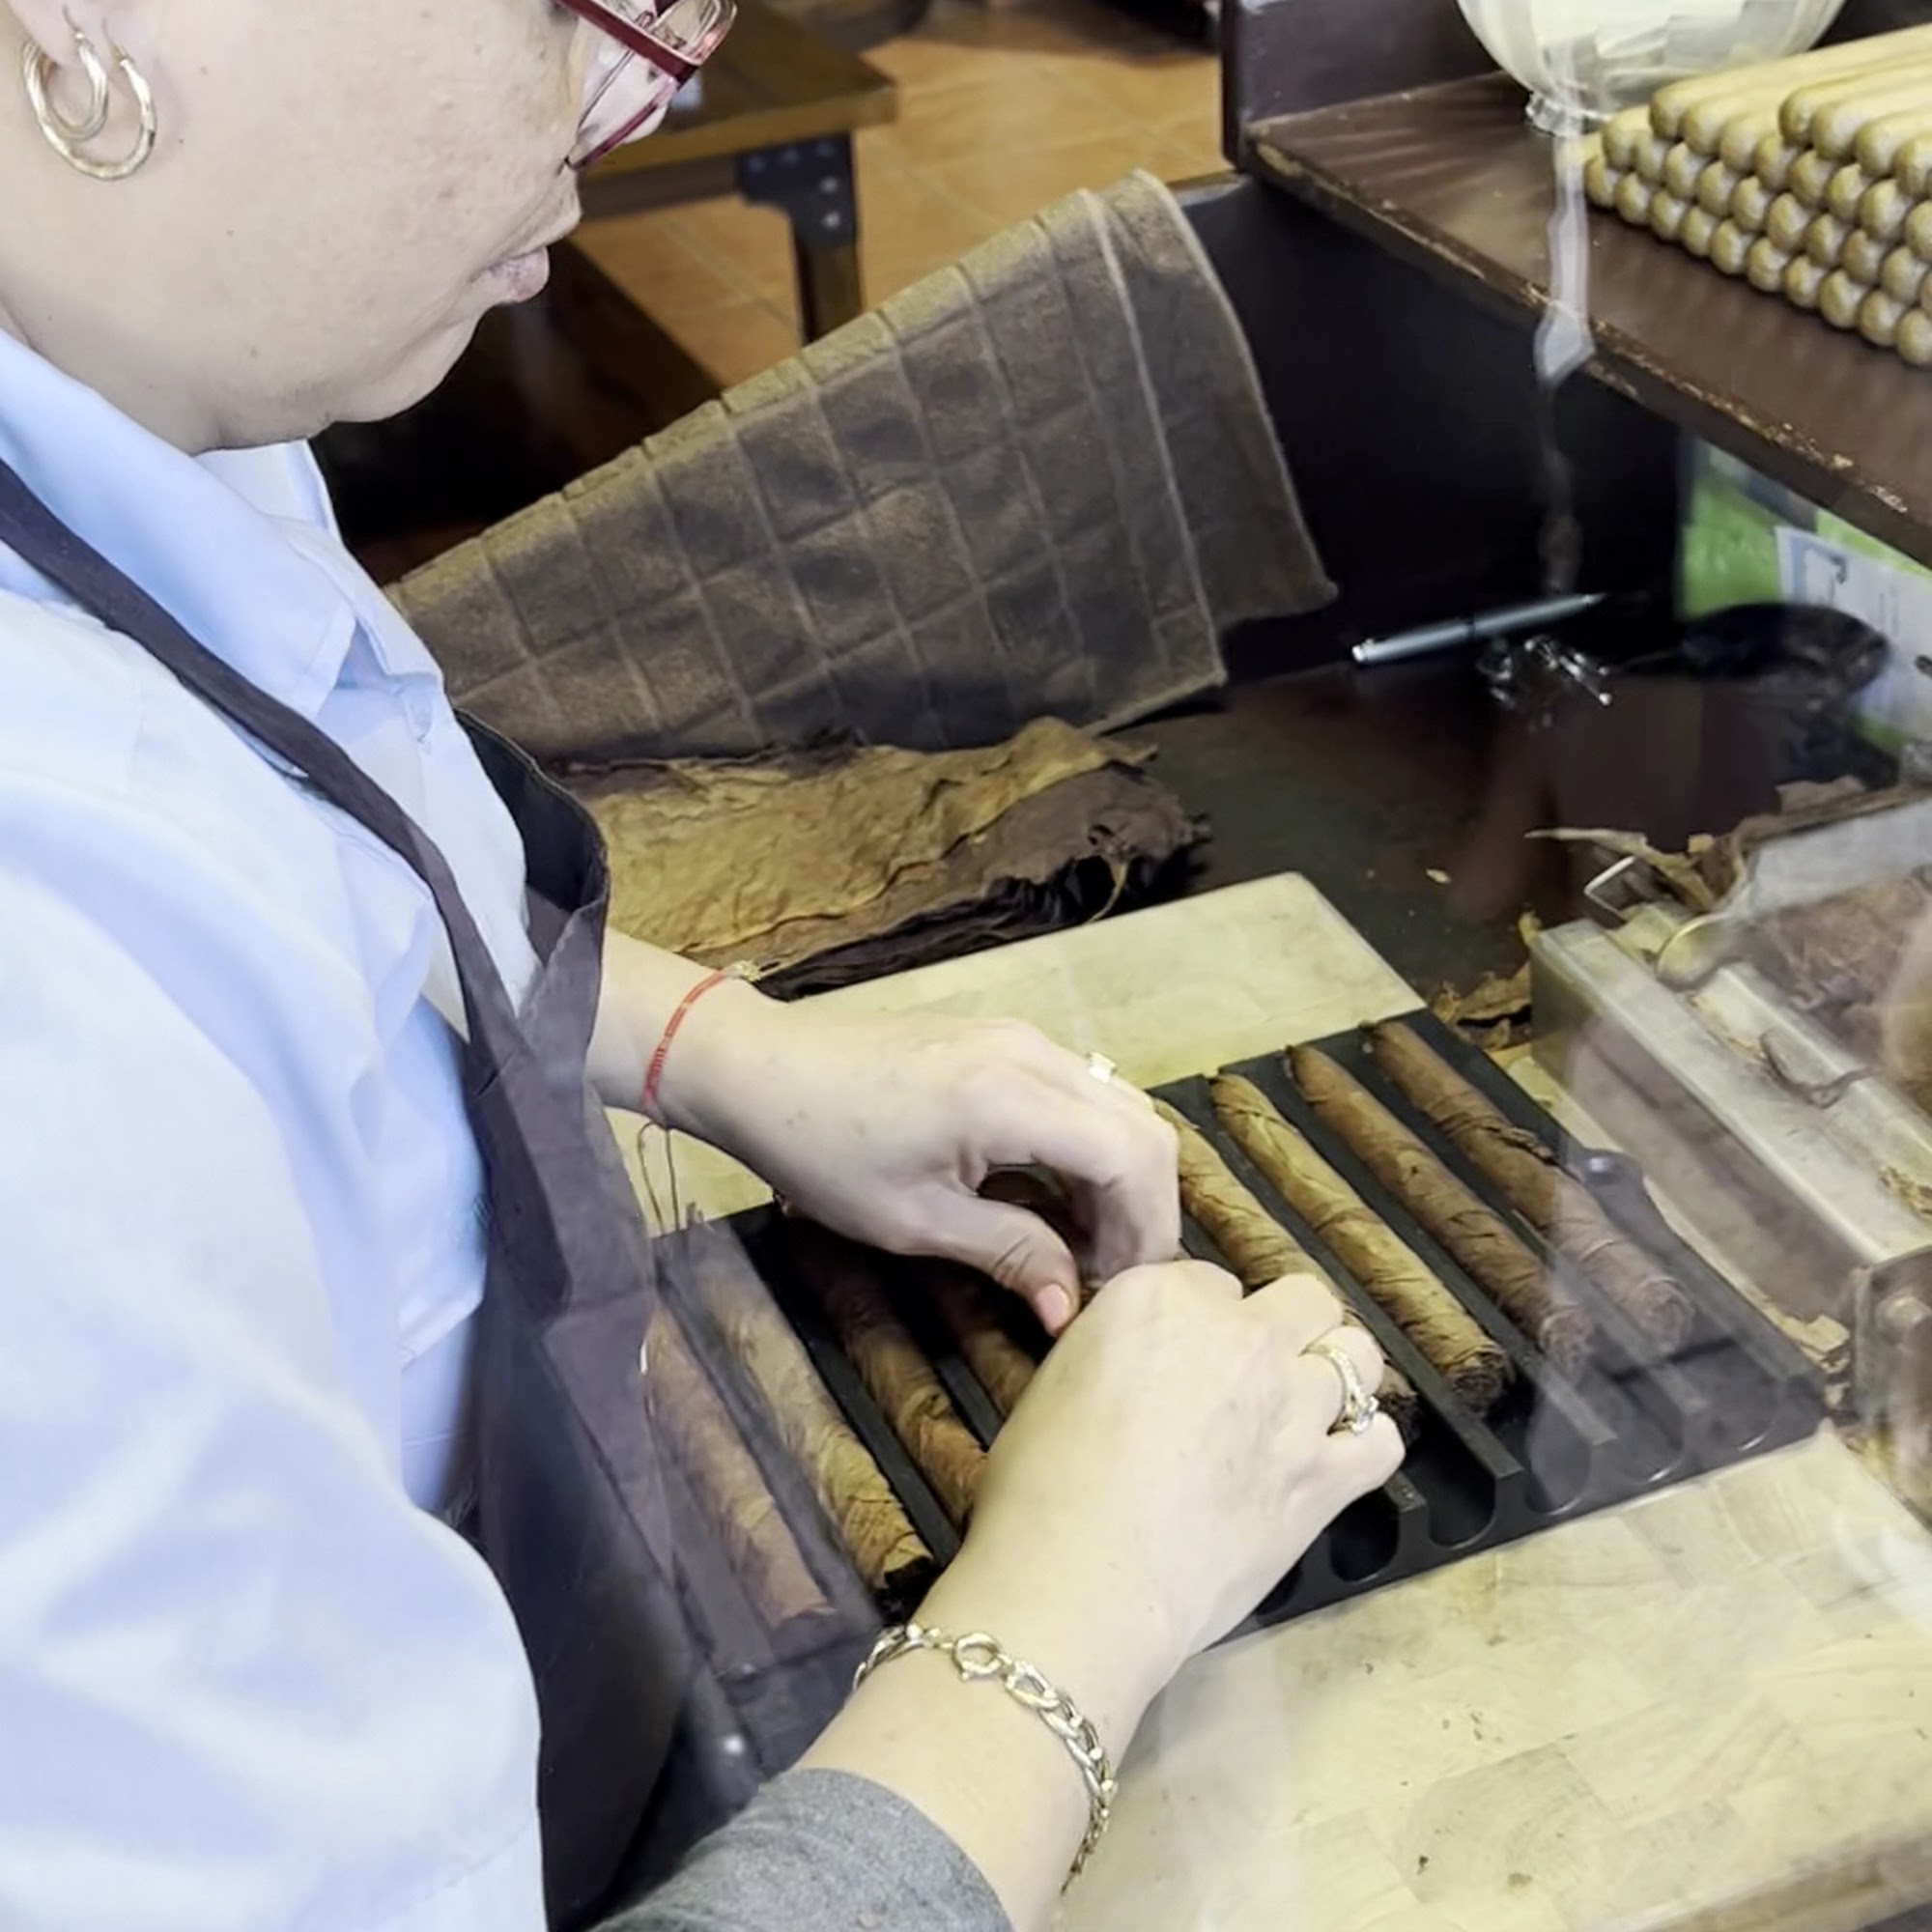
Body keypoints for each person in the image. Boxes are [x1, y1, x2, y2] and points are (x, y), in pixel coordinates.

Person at [0, 4, 1403, 1930]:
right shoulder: (41, 1006)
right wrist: (1076, 1606)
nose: (653, 88)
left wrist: (728, 1056)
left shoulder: (133, 375)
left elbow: (336, 856)